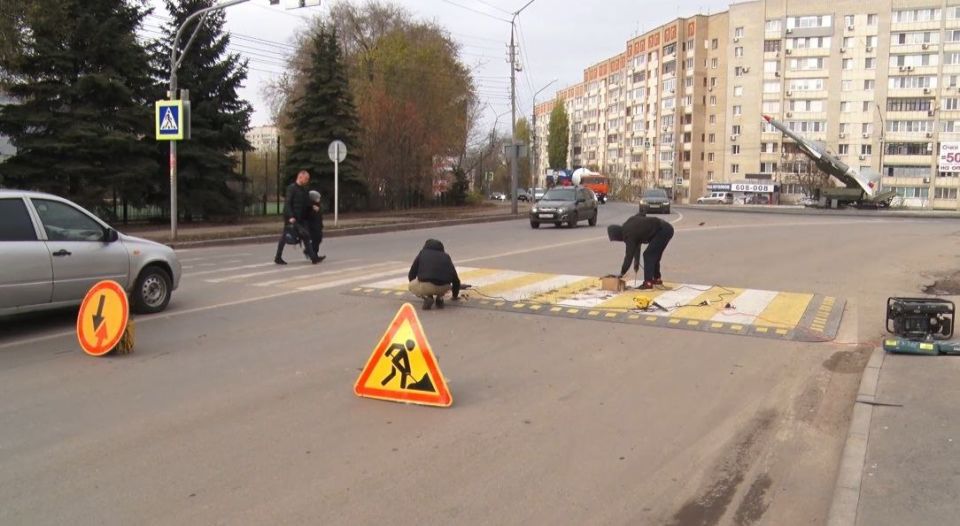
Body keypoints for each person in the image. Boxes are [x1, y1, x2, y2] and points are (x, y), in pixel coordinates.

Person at [607, 213, 674, 289]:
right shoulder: (629, 224)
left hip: (662, 231)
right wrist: (636, 262)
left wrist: (622, 273)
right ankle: (656, 279)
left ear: (618, 235)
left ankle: (648, 283)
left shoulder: (628, 235)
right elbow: (641, 214)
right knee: (654, 255)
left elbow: (629, 256)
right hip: (665, 228)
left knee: (648, 255)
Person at [274, 170, 319, 265]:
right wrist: (290, 216)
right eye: (306, 178)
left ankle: (313, 258)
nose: (307, 180)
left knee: (305, 235)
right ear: (300, 177)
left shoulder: (304, 189)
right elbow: (287, 203)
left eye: (308, 179)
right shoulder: (291, 188)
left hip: (301, 218)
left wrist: (312, 207)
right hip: (291, 218)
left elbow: (306, 203)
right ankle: (278, 257)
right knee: (284, 238)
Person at [408, 239, 461, 310]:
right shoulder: (446, 256)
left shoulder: (422, 253)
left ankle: (427, 298)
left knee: (411, 286)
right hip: (444, 288)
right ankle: (440, 298)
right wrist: (455, 296)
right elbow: (455, 279)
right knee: (439, 281)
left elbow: (412, 273)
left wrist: (416, 285)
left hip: (426, 286)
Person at [305, 190, 326, 263]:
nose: (319, 199)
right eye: (317, 198)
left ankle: (310, 252)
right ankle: (313, 254)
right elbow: (309, 216)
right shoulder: (311, 206)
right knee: (315, 240)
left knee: (318, 239)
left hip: (318, 225)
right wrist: (313, 210)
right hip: (313, 226)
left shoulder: (318, 205)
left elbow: (320, 215)